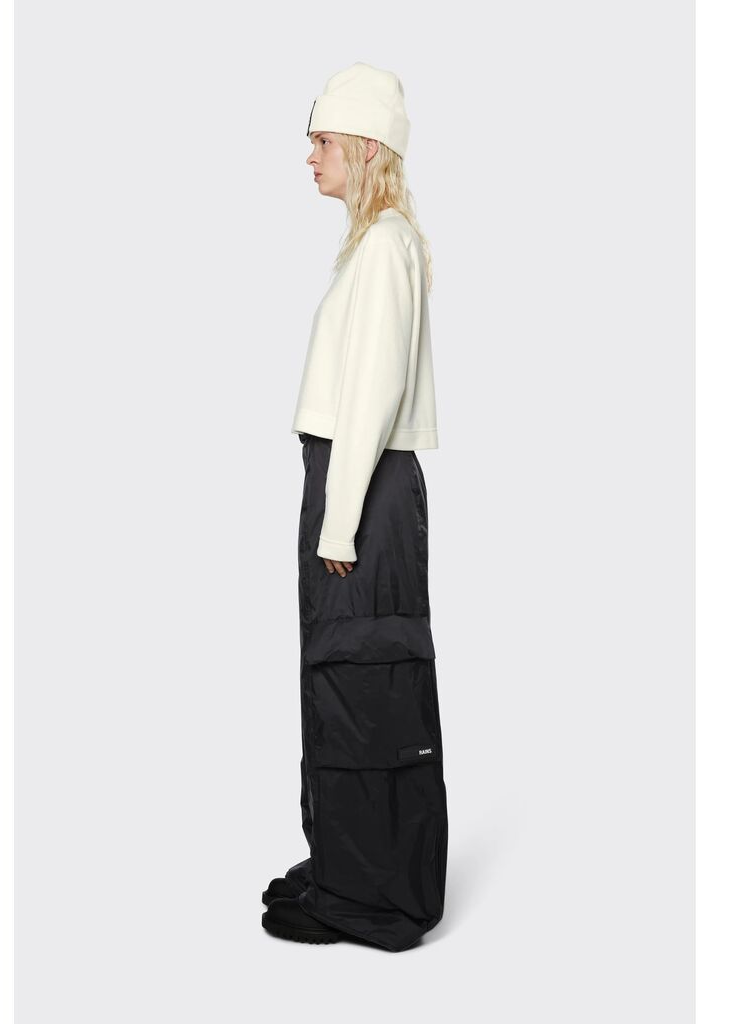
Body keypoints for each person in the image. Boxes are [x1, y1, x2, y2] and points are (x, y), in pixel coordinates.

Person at [260, 62, 449, 953]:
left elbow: (369, 398)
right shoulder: (380, 242)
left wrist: (339, 523)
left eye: (324, 141)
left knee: (360, 683)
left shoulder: (382, 249)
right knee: (347, 678)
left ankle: (371, 895)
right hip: (360, 485)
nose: (311, 157)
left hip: (361, 492)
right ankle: (349, 862)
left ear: (367, 147)